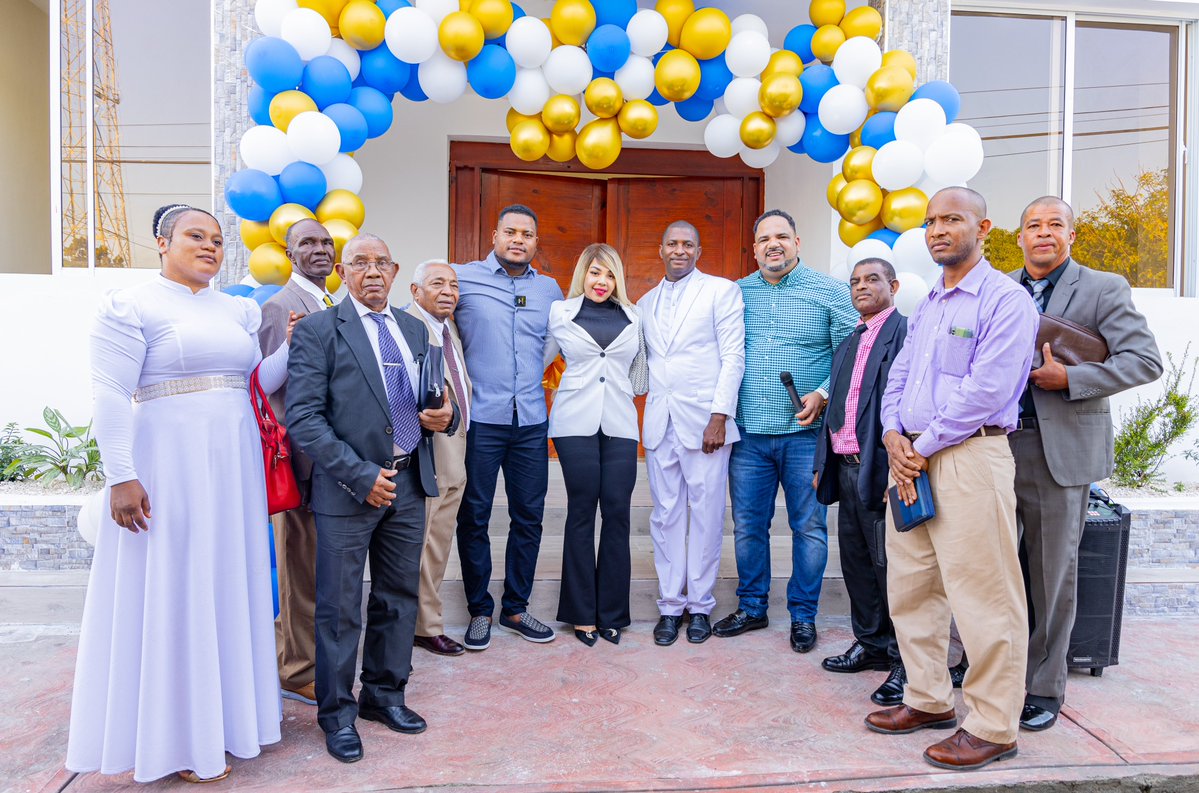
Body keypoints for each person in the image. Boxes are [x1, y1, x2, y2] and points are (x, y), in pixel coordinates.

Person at [66, 204, 286, 783]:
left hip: (231, 467)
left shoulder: (237, 310)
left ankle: (229, 724)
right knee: (177, 585)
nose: (211, 246)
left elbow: (254, 383)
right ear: (162, 242)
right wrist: (120, 475)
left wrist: (295, 345)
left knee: (222, 583)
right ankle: (179, 740)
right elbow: (111, 392)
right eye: (196, 236)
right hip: (166, 465)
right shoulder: (131, 305)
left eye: (217, 239)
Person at [866, 187, 1039, 772]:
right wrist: (894, 435)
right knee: (913, 588)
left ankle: (993, 725)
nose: (938, 229)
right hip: (910, 459)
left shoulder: (1005, 300)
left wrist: (921, 445)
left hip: (969, 457)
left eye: (952, 219)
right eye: (931, 221)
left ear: (983, 227)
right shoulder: (932, 304)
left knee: (985, 596)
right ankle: (928, 699)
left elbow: (986, 391)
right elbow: (899, 378)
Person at [285, 234, 456, 764]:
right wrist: (359, 475)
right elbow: (304, 419)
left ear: (396, 269)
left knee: (397, 597)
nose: (373, 272)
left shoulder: (414, 329)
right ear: (343, 270)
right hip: (348, 488)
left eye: (382, 262)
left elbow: (429, 397)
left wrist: (441, 415)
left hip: (409, 483)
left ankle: (384, 696)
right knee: (338, 609)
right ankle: (337, 714)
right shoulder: (318, 331)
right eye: (361, 263)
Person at [1009, 196, 1162, 731]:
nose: (1044, 233)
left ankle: (1045, 688)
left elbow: (1144, 360)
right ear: (1019, 236)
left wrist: (1069, 380)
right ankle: (992, 667)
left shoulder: (1103, 287)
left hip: (1060, 451)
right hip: (993, 448)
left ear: (1071, 235)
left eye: (1055, 225)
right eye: (1034, 225)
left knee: (1052, 575)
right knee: (994, 569)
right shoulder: (999, 287)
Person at [714, 209, 858, 653]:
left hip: (805, 436)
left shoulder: (831, 293)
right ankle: (753, 607)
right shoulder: (734, 295)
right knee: (748, 526)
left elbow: (853, 355)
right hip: (749, 435)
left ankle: (803, 616)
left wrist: (822, 393)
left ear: (798, 242)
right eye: (764, 239)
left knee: (809, 527)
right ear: (753, 248)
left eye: (782, 237)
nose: (773, 244)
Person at [452, 205, 565, 650]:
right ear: (495, 234)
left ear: (536, 243)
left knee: (529, 516)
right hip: (480, 418)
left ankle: (516, 608)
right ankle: (480, 610)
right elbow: (426, 319)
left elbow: (559, 338)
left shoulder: (550, 289)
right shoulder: (462, 278)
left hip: (532, 420)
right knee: (474, 514)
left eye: (528, 234)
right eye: (511, 232)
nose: (519, 240)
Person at [638, 220, 745, 646]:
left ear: (699, 251)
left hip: (706, 424)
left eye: (688, 245)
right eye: (672, 244)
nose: (680, 250)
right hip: (660, 421)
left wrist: (720, 415)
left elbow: (733, 355)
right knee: (665, 515)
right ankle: (669, 605)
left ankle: (699, 605)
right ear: (660, 249)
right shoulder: (644, 302)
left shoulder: (721, 291)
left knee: (704, 515)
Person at [813, 257, 908, 704]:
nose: (861, 287)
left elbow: (908, 403)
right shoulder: (852, 339)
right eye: (854, 281)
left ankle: (906, 662)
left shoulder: (905, 334)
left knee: (896, 571)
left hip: (883, 469)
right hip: (847, 467)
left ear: (894, 285)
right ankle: (870, 645)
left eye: (872, 279)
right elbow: (837, 409)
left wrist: (899, 467)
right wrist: (822, 463)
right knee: (857, 564)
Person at [545, 244, 644, 646]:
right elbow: (539, 360)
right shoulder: (560, 313)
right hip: (573, 422)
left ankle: (613, 613)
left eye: (609, 275)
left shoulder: (635, 316)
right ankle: (581, 613)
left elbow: (642, 369)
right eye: (594, 273)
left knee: (618, 513)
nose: (601, 282)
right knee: (582, 511)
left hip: (621, 421)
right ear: (582, 274)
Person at [259, 218, 338, 705]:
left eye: (327, 242)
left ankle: (315, 655)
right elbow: (271, 395)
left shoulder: (336, 303)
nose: (320, 249)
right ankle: (295, 670)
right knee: (297, 568)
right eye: (307, 242)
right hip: (301, 461)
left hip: (335, 461)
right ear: (290, 254)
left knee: (320, 569)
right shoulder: (279, 307)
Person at [406, 260, 472, 657]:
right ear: (415, 291)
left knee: (439, 540)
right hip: (426, 450)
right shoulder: (408, 329)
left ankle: (422, 622)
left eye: (453, 285)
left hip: (457, 446)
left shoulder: (450, 331)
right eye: (437, 284)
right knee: (424, 542)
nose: (448, 291)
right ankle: (423, 625)